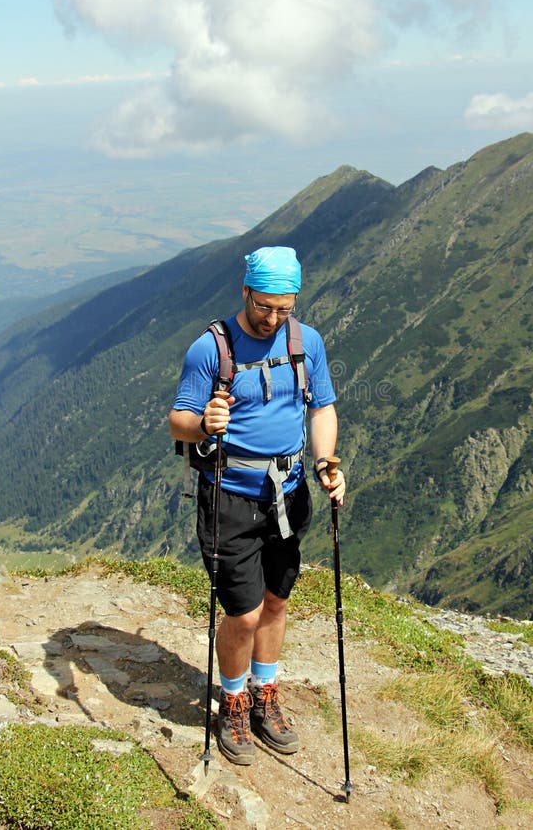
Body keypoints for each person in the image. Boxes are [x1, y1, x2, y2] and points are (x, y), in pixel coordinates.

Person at [169, 245, 345, 766]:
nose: (272, 318)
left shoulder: (305, 342)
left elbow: (322, 407)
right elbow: (179, 420)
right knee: (242, 614)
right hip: (229, 496)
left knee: (276, 601)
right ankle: (234, 699)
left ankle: (265, 692)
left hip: (288, 494)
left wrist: (327, 461)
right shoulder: (210, 349)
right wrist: (205, 425)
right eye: (264, 306)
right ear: (245, 291)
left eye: (284, 308)